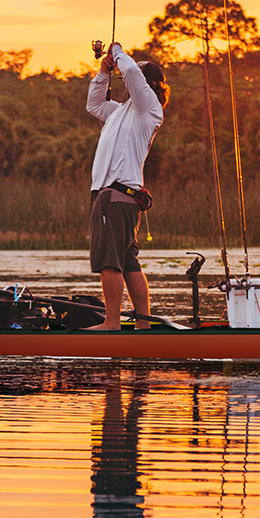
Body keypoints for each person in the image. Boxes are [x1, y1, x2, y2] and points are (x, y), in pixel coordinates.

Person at [83, 42, 168, 330]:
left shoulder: (149, 108)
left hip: (116, 197)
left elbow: (131, 70)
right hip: (118, 197)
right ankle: (143, 326)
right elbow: (93, 104)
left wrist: (117, 50)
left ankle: (111, 323)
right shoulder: (120, 111)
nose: (126, 82)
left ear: (148, 84)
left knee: (111, 262)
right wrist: (104, 71)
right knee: (129, 263)